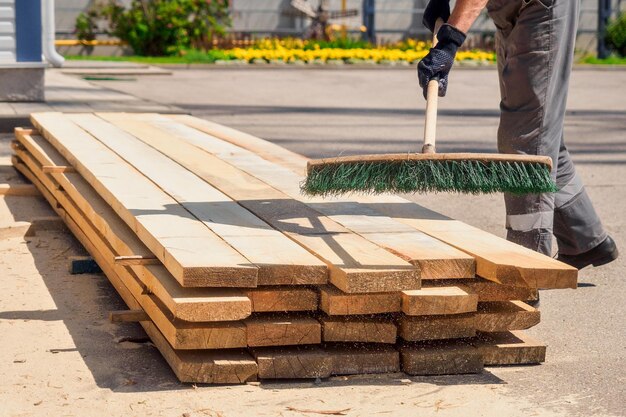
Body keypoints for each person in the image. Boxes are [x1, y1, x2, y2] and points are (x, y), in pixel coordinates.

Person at [416, 0, 618, 269]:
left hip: (541, 6)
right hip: (509, 9)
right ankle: (584, 239)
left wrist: (450, 40)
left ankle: (528, 267)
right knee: (542, 134)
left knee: (525, 140)